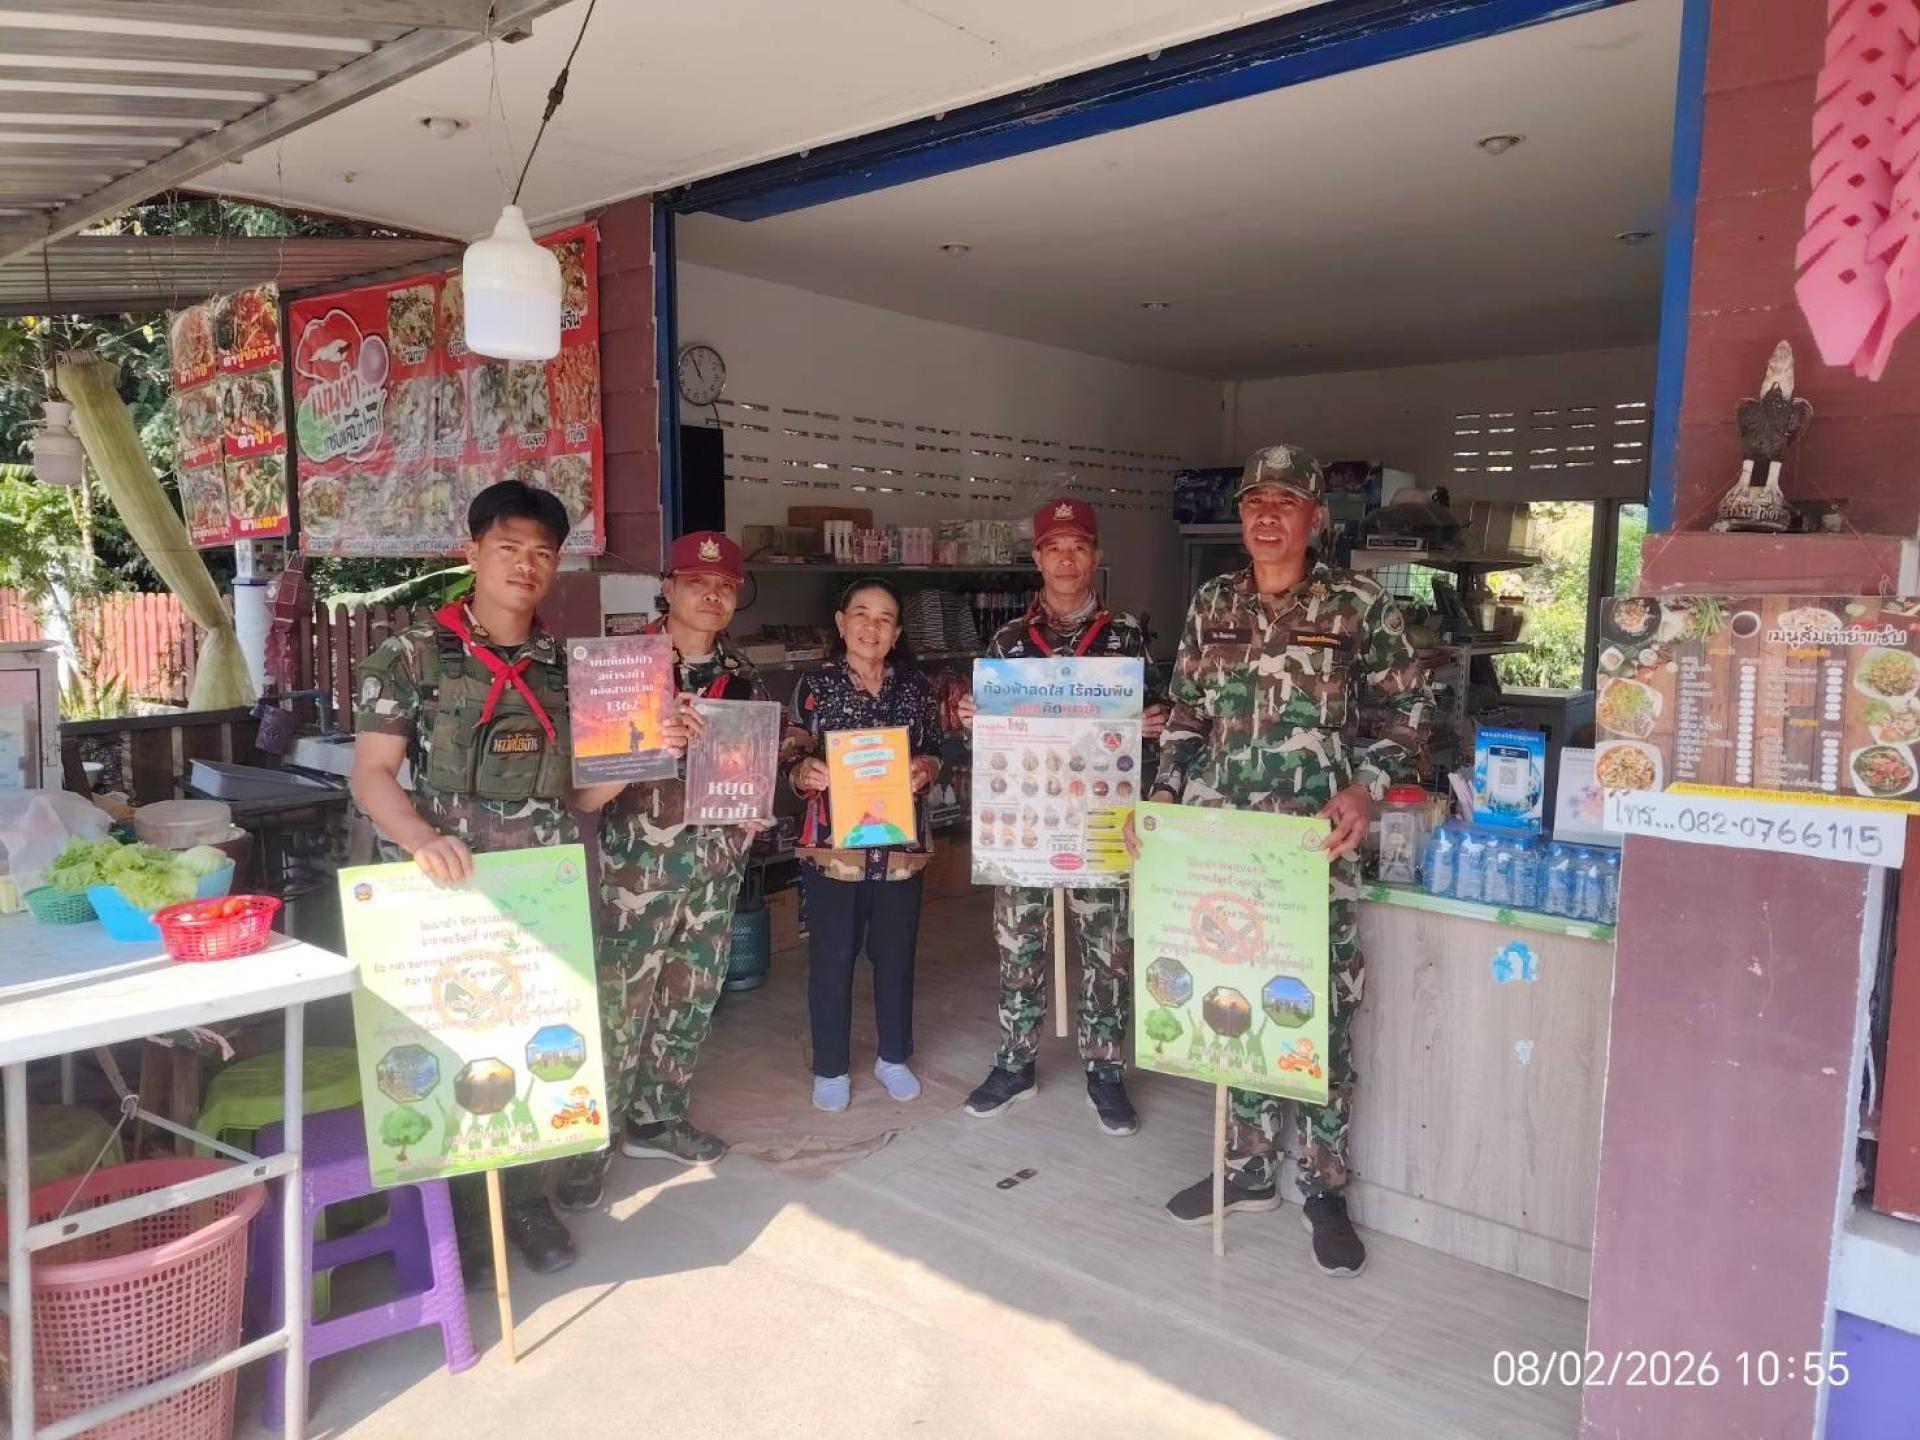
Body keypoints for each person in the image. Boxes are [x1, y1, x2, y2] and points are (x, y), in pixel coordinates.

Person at [1133, 446, 1433, 1278]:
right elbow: (1187, 715)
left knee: (1315, 1010)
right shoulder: (1213, 603)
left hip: (1312, 853)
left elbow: (1411, 713)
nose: (1267, 516)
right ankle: (1249, 1168)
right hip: (1222, 851)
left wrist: (1366, 787)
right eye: (1255, 502)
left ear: (1316, 518)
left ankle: (1325, 1189)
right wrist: (1163, 802)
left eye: (1286, 502)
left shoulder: (1359, 605)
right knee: (1230, 998)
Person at [350, 479, 602, 1277]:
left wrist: (640, 754)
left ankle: (524, 1200)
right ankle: (459, 1214)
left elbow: (584, 796)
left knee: (534, 1043)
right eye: (509, 547)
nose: (526, 565)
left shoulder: (568, 667)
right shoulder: (411, 654)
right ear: (473, 552)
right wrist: (421, 838)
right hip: (445, 898)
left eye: (542, 553)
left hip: (538, 893)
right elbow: (372, 774)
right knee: (449, 1047)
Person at [558, 531, 772, 1204]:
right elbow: (584, 797)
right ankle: (590, 1143)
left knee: (691, 997)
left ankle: (657, 1118)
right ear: (668, 588)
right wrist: (646, 738)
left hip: (715, 872)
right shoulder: (623, 670)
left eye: (725, 586)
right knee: (619, 1005)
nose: (712, 595)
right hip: (638, 876)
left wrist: (753, 807)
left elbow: (750, 773)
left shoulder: (742, 677)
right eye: (697, 582)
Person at [955, 498, 1168, 1136]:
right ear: (1038, 557)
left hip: (1102, 817)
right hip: (1026, 818)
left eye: (1079, 547)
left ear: (1095, 557)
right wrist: (971, 718)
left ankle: (1105, 1071)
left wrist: (1155, 722)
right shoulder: (1008, 641)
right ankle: (1015, 1063)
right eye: (1055, 547)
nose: (1067, 559)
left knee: (1107, 948)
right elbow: (990, 736)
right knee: (1018, 943)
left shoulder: (1126, 636)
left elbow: (1166, 715)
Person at [785, 579, 944, 1112]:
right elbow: (790, 753)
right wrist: (803, 771)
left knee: (896, 955)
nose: (871, 627)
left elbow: (937, 748)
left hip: (900, 849)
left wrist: (926, 767)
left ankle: (893, 1056)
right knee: (831, 956)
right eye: (861, 614)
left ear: (896, 633)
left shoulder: (915, 687)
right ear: (841, 623)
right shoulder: (815, 685)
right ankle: (830, 1066)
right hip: (835, 851)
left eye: (884, 618)